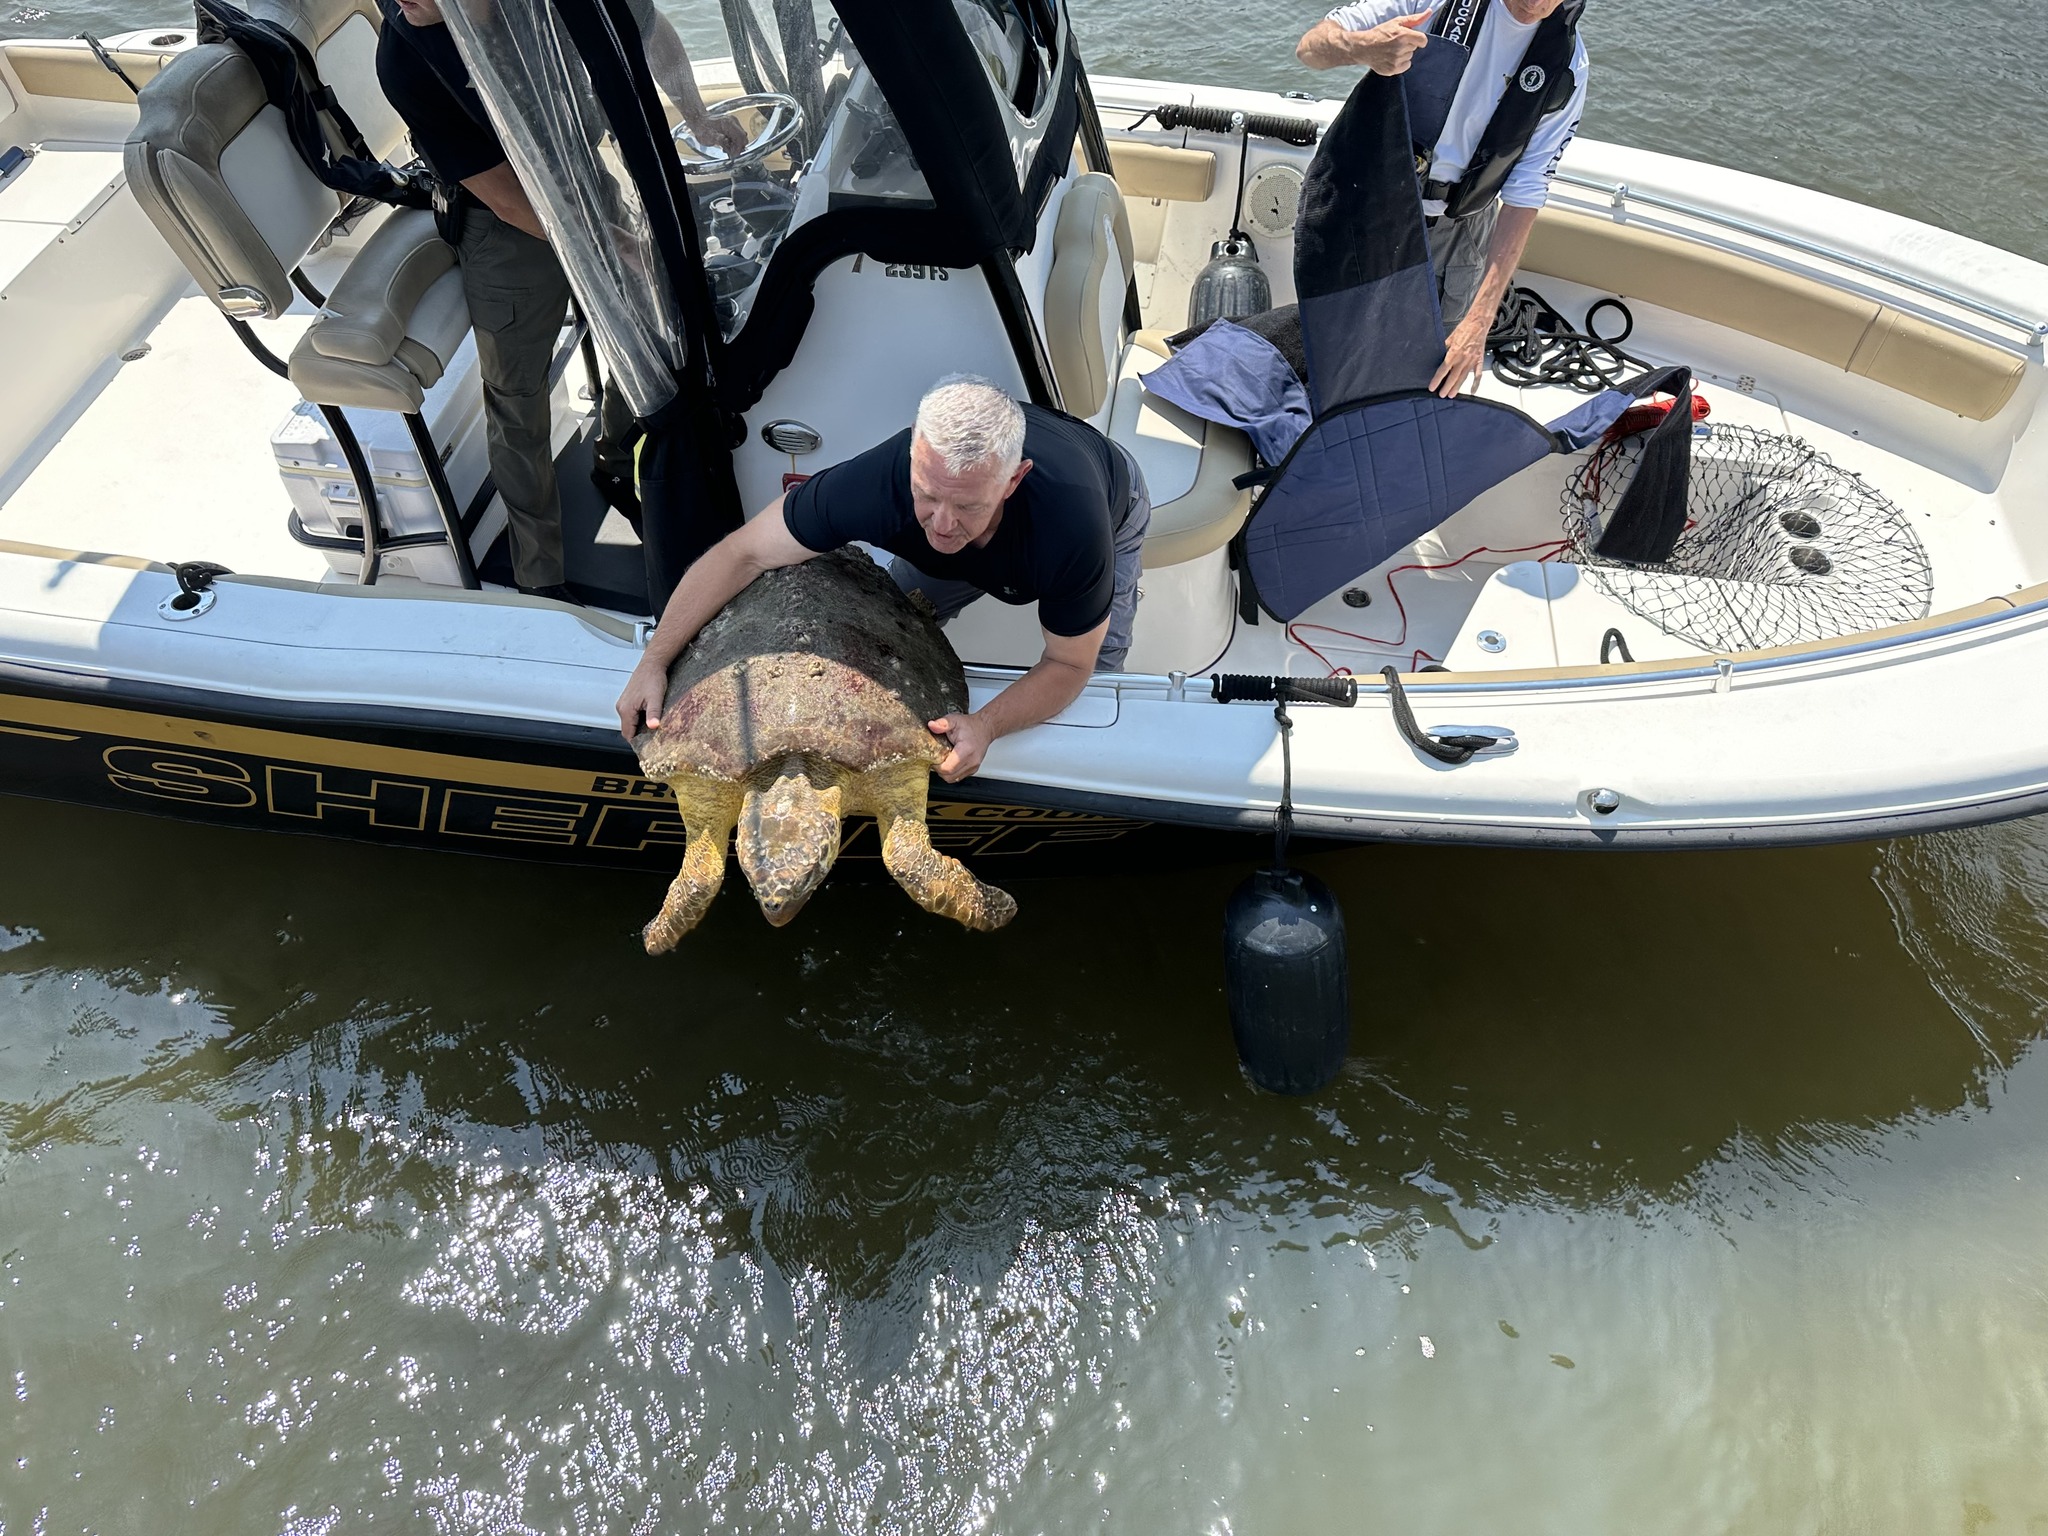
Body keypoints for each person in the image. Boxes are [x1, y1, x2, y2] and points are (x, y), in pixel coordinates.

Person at [374, 0, 743, 598]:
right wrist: (608, 243)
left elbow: (646, 30)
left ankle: (619, 460)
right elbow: (505, 198)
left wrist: (697, 116)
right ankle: (538, 573)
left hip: (582, 174)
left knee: (648, 332)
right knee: (516, 397)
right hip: (505, 220)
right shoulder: (405, 58)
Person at [614, 376, 1151, 783]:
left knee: (1101, 680)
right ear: (913, 458)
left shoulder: (1073, 527)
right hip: (975, 546)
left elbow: (1069, 664)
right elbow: (743, 553)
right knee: (901, 613)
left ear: (1013, 481)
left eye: (967, 505)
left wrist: (986, 724)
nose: (943, 525)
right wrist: (654, 659)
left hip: (1113, 498)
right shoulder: (875, 485)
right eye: (926, 494)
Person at [1296, 0, 1589, 398]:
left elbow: (1527, 189)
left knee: (1428, 376)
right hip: (1368, 205)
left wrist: (1480, 319)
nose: (1537, 4)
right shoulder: (1431, 4)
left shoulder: (1568, 63)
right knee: (1333, 354)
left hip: (1460, 231)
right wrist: (1362, 48)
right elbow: (1311, 47)